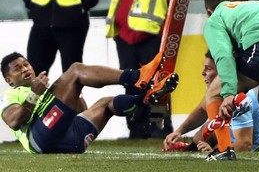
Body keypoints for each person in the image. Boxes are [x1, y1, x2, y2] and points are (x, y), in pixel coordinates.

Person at [0, 52, 178, 153]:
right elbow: (14, 121)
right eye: (18, 68)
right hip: (40, 138)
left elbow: (81, 113)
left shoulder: (45, 92)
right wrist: (34, 94)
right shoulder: (9, 95)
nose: (25, 69)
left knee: (106, 104)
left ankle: (146, 98)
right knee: (76, 70)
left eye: (26, 64)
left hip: (70, 141)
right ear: (9, 80)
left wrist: (75, 94)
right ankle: (137, 76)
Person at [202, 0, 259, 161]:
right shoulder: (253, 4)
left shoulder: (215, 18)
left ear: (208, 12)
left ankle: (225, 149)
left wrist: (228, 93)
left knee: (214, 92)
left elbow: (223, 55)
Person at [105, 0, 185, 138]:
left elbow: (178, 8)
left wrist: (167, 41)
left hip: (154, 39)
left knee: (158, 84)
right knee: (131, 84)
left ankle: (159, 128)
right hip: (126, 39)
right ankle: (136, 129)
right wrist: (116, 33)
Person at [18, 0, 107, 75]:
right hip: (41, 21)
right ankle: (36, 95)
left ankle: (71, 94)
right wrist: (31, 4)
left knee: (71, 75)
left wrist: (83, 5)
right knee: (34, 73)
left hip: (73, 22)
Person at [163, 51, 259, 152]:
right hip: (233, 131)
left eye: (208, 68)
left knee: (212, 132)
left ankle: (212, 150)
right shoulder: (217, 88)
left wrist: (214, 152)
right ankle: (191, 148)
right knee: (200, 136)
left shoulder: (242, 96)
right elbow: (202, 110)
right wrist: (179, 131)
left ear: (223, 72)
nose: (203, 72)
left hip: (246, 141)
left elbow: (245, 143)